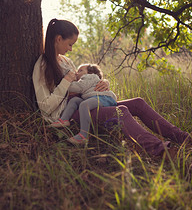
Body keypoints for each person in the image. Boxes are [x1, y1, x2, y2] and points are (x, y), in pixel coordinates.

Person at [32, 18, 191, 159]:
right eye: (70, 44)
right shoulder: (42, 65)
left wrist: (103, 82)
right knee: (121, 111)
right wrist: (66, 82)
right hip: (71, 113)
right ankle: (160, 150)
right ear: (58, 39)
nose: (71, 49)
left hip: (87, 102)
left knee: (138, 103)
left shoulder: (65, 61)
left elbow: (83, 81)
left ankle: (184, 138)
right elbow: (46, 107)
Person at [49, 63, 117, 144]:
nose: (77, 73)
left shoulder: (90, 77)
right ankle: (64, 119)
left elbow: (78, 87)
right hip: (93, 98)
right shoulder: (86, 82)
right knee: (75, 100)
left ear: (90, 72)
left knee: (84, 105)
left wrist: (65, 82)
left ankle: (84, 135)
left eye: (80, 70)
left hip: (104, 97)